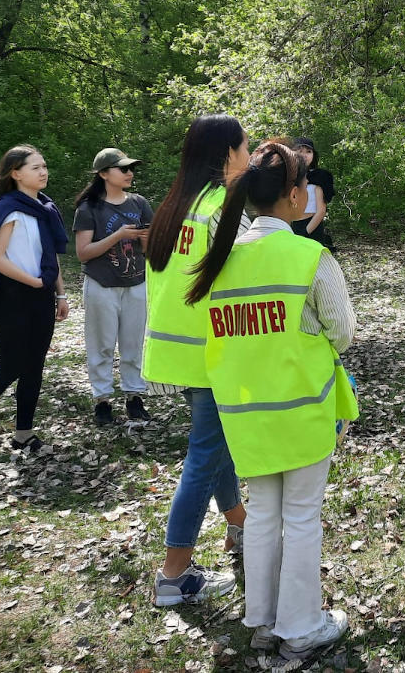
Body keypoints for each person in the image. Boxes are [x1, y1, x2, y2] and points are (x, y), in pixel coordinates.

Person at [187, 141, 358, 661]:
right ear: (294, 195)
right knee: (302, 514)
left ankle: (263, 622)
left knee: (262, 513)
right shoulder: (309, 255)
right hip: (302, 407)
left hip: (245, 411)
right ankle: (301, 626)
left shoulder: (224, 260)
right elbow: (343, 333)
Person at [144, 114, 250, 607]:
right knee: (204, 457)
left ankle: (239, 526)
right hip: (212, 353)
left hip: (175, 351)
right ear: (228, 154)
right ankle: (174, 575)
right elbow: (244, 281)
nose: (248, 159)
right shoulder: (221, 208)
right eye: (245, 148)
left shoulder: (174, 206)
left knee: (216, 447)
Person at [0, 146, 69, 453]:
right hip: (10, 296)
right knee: (11, 367)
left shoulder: (44, 208)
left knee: (34, 365)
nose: (43, 171)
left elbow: (48, 256)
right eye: (35, 167)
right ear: (16, 173)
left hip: (40, 294)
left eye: (44, 166)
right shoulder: (9, 208)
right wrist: (36, 282)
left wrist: (59, 291)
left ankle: (24, 433)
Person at [73, 148, 154, 425]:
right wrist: (118, 235)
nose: (129, 173)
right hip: (101, 284)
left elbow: (150, 246)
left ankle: (134, 397)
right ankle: (102, 400)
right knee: (102, 345)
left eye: (131, 168)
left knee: (133, 343)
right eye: (123, 169)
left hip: (136, 283)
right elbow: (83, 252)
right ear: (104, 174)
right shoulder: (89, 208)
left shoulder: (139, 203)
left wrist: (145, 238)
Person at [291, 137, 337, 251]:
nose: (304, 155)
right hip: (291, 226)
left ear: (313, 155)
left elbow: (321, 211)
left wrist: (304, 233)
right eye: (300, 151)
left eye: (308, 152)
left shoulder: (319, 177)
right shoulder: (287, 177)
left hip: (313, 226)